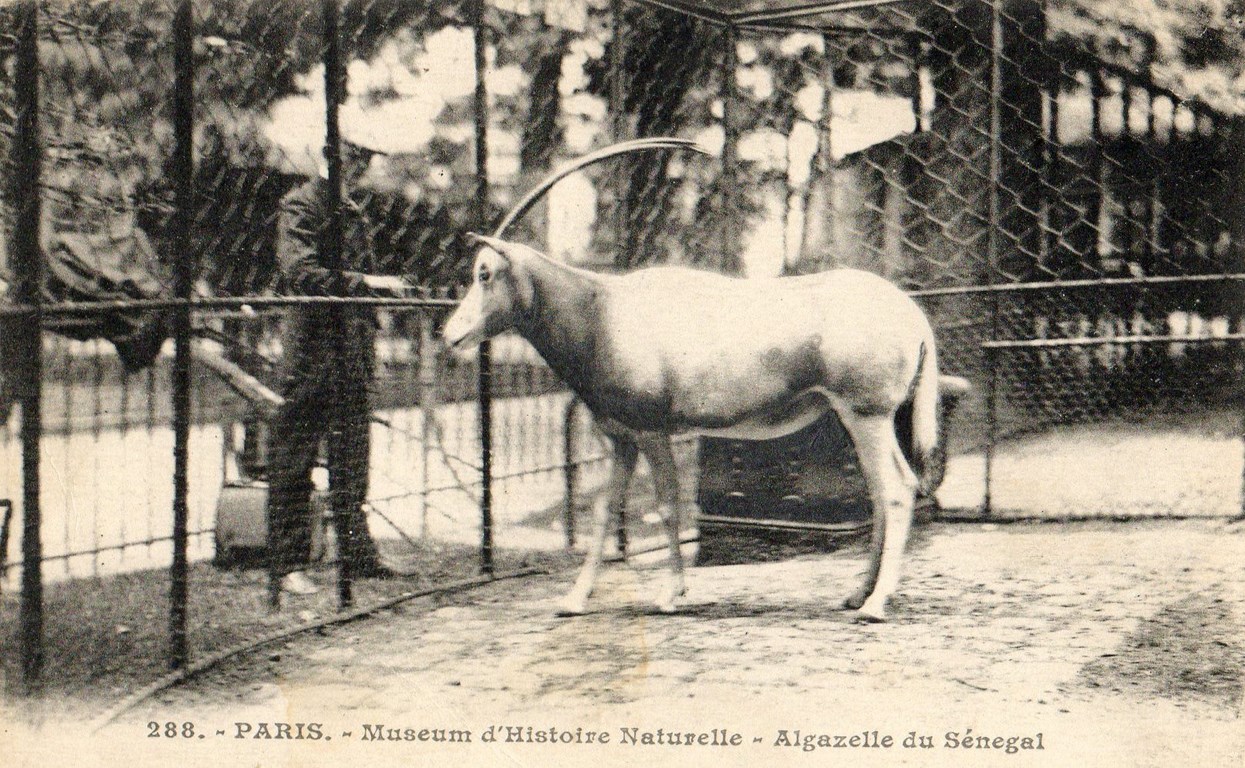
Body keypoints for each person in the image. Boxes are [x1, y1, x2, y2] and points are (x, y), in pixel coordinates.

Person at [268, 136, 412, 596]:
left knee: (352, 461)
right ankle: (288, 564)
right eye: (355, 156)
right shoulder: (301, 204)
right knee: (295, 458)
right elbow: (299, 273)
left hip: (351, 351)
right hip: (312, 352)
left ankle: (357, 555)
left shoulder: (352, 211)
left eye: (367, 158)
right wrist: (367, 282)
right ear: (332, 156)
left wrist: (371, 328)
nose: (362, 166)